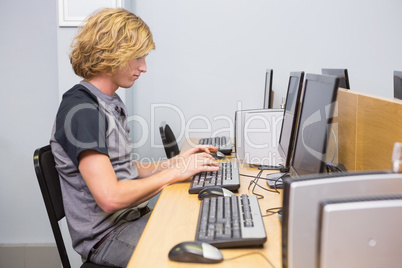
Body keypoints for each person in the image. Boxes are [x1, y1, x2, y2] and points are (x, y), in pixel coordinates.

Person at [50, 8, 220, 267]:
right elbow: (110, 197)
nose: (143, 67)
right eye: (137, 57)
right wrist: (174, 175)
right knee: (201, 259)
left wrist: (175, 164)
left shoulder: (110, 101)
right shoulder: (81, 111)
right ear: (111, 53)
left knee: (211, 229)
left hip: (131, 220)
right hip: (108, 237)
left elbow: (123, 169)